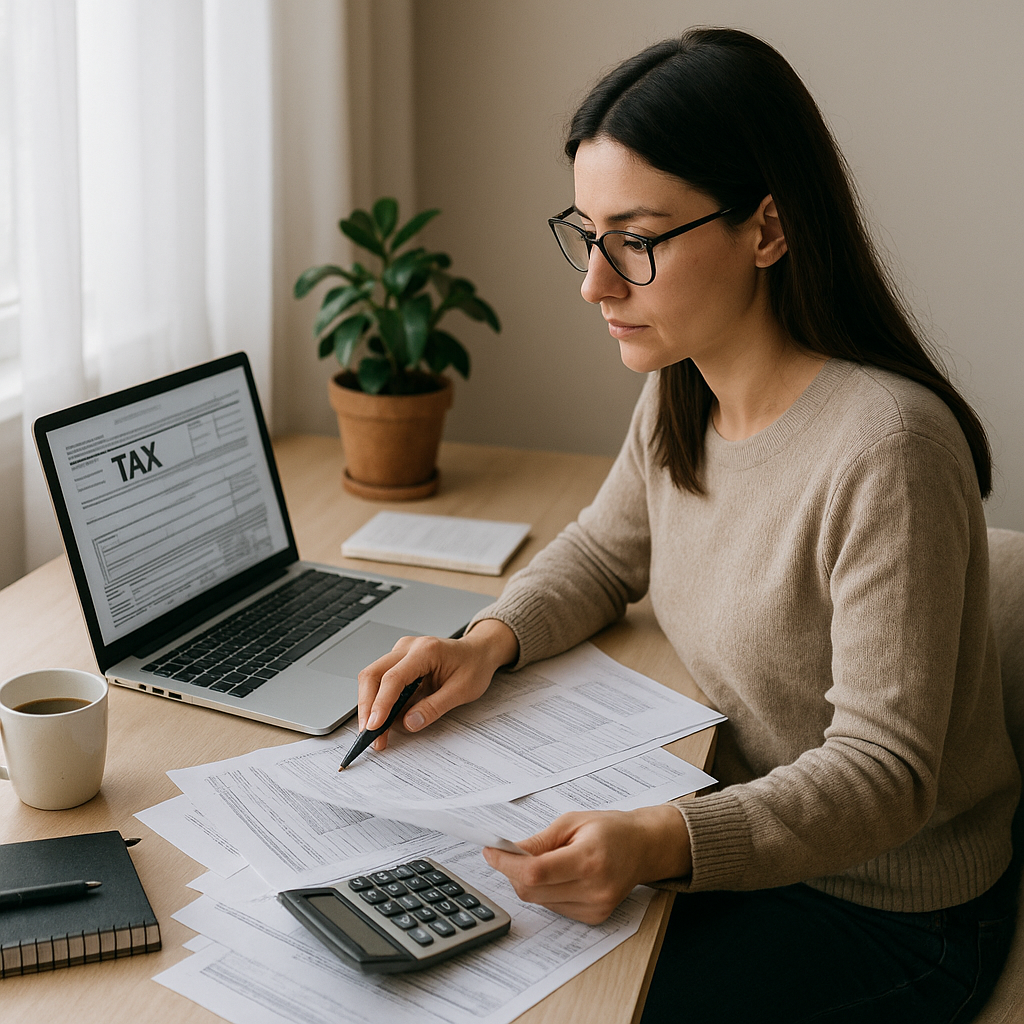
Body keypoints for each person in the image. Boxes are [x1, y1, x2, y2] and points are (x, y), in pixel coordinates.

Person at [358, 27, 1020, 1023]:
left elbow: (883, 777)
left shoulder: (887, 448)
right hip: (749, 834)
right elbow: (603, 549)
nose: (595, 283)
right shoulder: (684, 392)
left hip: (893, 914)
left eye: (636, 240)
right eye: (587, 235)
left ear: (766, 228)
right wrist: (484, 642)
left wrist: (662, 841)